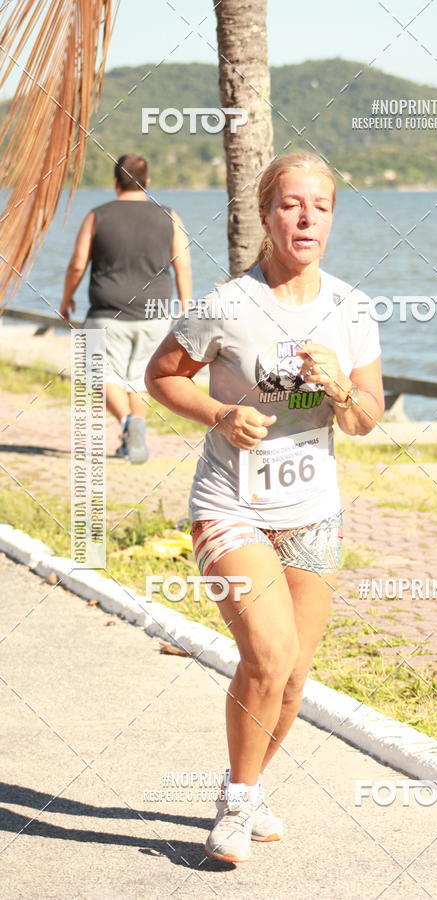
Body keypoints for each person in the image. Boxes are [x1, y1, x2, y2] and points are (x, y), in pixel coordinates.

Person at [145, 152, 384, 863]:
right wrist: (220, 414)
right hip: (231, 505)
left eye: (321, 206)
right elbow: (161, 376)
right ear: (266, 214)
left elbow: (365, 420)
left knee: (294, 677)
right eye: (291, 204)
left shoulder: (353, 308)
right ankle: (237, 803)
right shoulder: (226, 305)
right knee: (269, 654)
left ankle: (246, 786)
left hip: (312, 512)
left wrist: (340, 388)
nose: (306, 218)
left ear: (332, 219)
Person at [59, 153, 192, 463]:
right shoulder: (169, 216)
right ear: (148, 182)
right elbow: (183, 265)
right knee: (141, 376)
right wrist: (185, 305)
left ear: (115, 182)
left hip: (107, 311)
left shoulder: (97, 216)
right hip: (156, 314)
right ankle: (134, 435)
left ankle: (128, 423)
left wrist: (66, 301)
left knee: (99, 374)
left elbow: (77, 265)